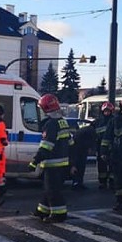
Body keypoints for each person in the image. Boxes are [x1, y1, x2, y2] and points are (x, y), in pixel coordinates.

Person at [28, 94, 74, 222]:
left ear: (46, 109)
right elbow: (71, 144)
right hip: (62, 164)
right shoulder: (62, 122)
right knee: (49, 188)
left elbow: (46, 147)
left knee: (53, 190)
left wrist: (34, 162)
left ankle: (59, 214)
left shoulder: (51, 125)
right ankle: (42, 210)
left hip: (53, 165)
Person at [92, 101, 115, 188]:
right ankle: (102, 182)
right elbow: (93, 133)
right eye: (105, 111)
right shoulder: (97, 122)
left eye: (108, 111)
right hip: (100, 147)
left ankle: (112, 181)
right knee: (102, 165)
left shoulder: (114, 120)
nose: (107, 112)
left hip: (113, 147)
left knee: (113, 164)